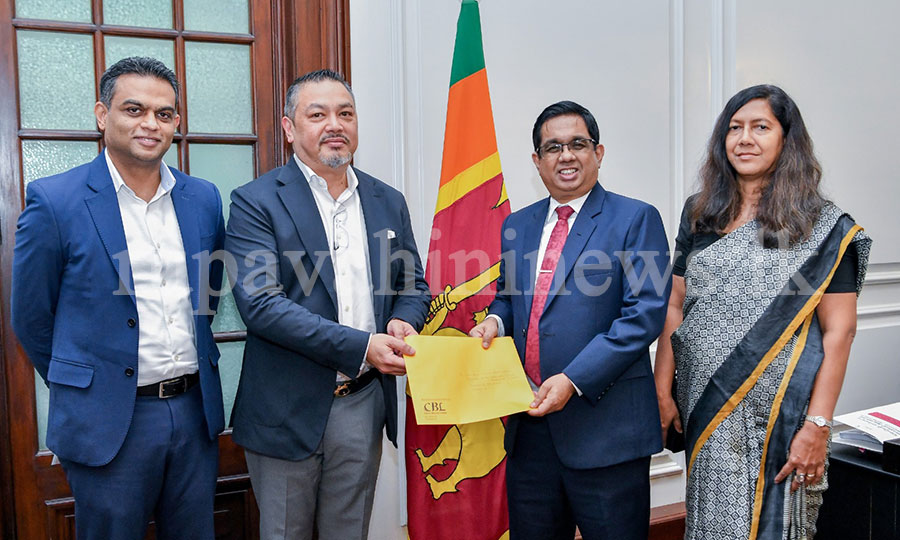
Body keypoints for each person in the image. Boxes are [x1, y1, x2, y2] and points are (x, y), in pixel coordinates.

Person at [11, 57, 226, 540]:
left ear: (176, 123)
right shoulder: (55, 201)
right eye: (134, 109)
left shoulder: (203, 198)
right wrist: (87, 382)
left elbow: (207, 299)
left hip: (194, 412)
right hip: (108, 421)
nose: (151, 123)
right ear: (102, 114)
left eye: (164, 113)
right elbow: (31, 317)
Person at [653, 84, 872, 540]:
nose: (744, 139)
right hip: (706, 403)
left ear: (787, 140)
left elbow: (840, 332)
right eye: (734, 128)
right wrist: (662, 390)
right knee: (711, 521)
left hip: (782, 415)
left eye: (760, 127)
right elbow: (675, 302)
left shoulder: (822, 226)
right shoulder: (701, 212)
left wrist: (818, 425)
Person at [225, 69, 430, 540]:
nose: (335, 125)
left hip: (362, 403)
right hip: (284, 409)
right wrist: (363, 346)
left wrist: (402, 320)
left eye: (345, 114)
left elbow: (413, 284)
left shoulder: (387, 200)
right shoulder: (256, 202)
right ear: (289, 128)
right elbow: (261, 304)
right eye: (317, 114)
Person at [469, 100, 672, 540]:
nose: (566, 156)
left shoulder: (635, 219)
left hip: (606, 431)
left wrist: (573, 380)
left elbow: (643, 316)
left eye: (578, 144)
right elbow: (508, 299)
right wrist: (495, 324)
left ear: (598, 153)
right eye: (553, 147)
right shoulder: (517, 225)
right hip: (530, 431)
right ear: (537, 160)